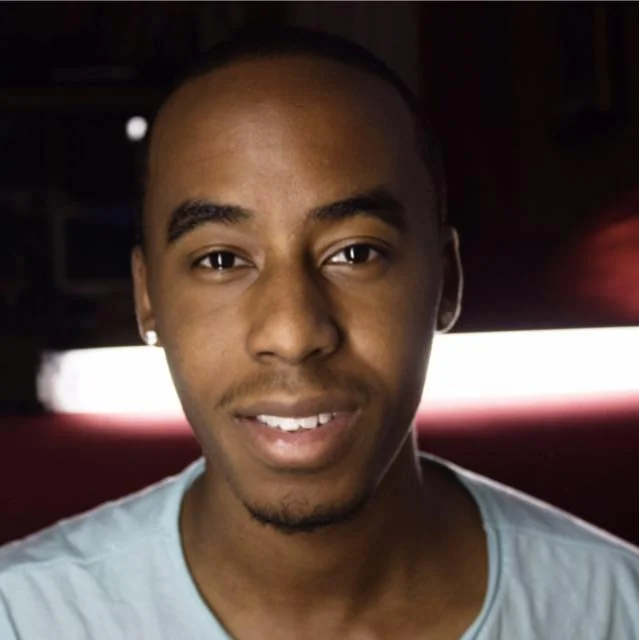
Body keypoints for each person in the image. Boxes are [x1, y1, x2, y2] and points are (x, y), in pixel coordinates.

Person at [1, 27, 638, 640]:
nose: (293, 333)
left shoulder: (618, 608)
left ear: (445, 281)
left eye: (355, 253)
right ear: (148, 299)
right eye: (220, 260)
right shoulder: (22, 618)